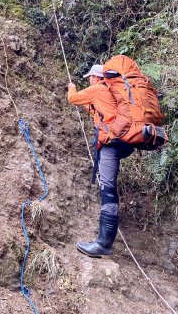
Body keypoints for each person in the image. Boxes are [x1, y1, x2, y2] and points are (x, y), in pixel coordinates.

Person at [67, 64, 134, 257]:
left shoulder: (97, 89)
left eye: (90, 77)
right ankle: (104, 242)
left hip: (110, 143)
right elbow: (101, 113)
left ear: (97, 78)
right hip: (124, 142)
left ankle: (103, 244)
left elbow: (73, 99)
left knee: (107, 189)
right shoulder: (112, 93)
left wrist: (71, 87)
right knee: (109, 186)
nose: (89, 80)